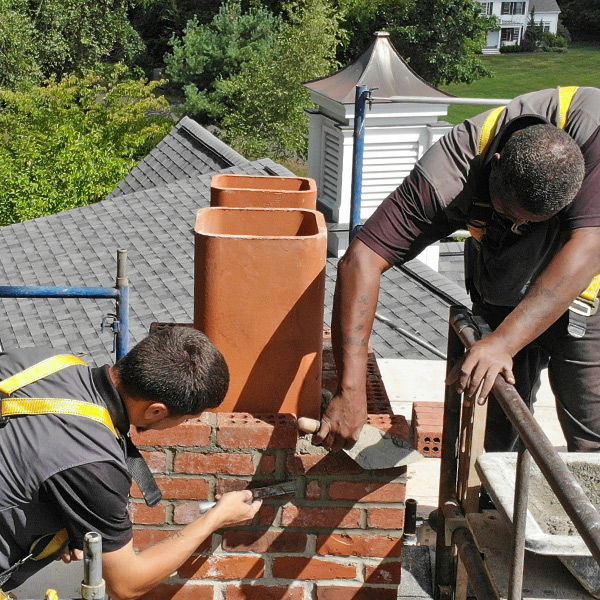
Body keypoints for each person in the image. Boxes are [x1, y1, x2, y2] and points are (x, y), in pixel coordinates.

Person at [316, 86, 600, 455]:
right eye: (510, 214)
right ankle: (491, 505)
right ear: (495, 164)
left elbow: (589, 246)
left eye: (531, 221)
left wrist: (503, 343)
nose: (517, 226)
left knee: (591, 439)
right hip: (502, 285)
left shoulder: (593, 131)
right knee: (495, 429)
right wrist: (349, 388)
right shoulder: (451, 170)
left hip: (583, 296)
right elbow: (362, 258)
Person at [0, 326, 262, 599]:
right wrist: (216, 518)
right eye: (186, 418)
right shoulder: (96, 467)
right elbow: (127, 584)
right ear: (156, 410)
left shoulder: (40, 360)